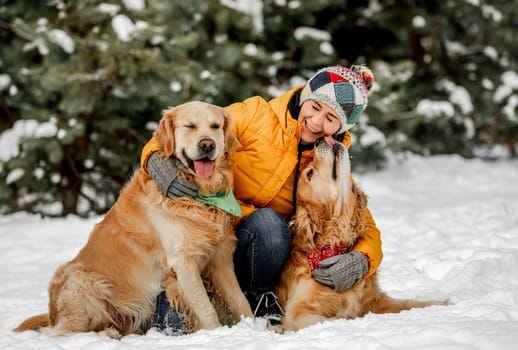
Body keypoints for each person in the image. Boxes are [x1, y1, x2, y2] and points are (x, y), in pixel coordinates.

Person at [140, 64, 383, 333]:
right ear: (305, 96)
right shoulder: (255, 114)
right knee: (172, 326)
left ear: (340, 126)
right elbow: (192, 124)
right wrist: (154, 160)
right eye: (314, 108)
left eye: (330, 118)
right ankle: (191, 292)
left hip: (257, 250)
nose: (316, 122)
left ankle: (259, 297)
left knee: (269, 225)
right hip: (199, 238)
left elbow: (362, 220)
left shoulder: (326, 162)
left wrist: (363, 259)